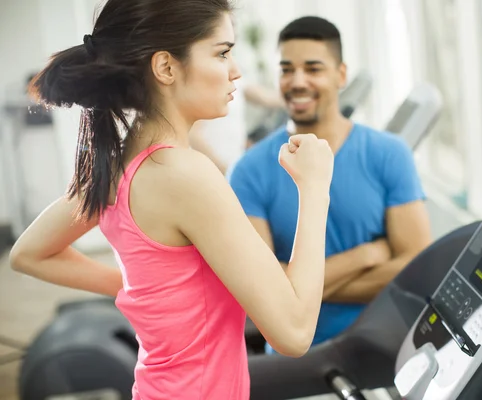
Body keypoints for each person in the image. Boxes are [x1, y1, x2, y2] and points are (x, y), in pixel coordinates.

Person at [9, 1, 335, 399]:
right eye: (222, 53)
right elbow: (295, 333)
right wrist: (316, 188)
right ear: (165, 67)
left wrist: (144, 290)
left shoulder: (119, 165)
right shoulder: (185, 175)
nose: (236, 70)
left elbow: (28, 252)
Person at [228, 16, 432, 350]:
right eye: (286, 69)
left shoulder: (390, 154)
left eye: (312, 68)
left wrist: (296, 289)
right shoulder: (248, 170)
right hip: (296, 355)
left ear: (340, 74)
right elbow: (263, 290)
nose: (297, 81)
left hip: (382, 345)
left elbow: (415, 268)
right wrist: (365, 256)